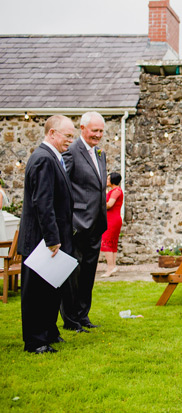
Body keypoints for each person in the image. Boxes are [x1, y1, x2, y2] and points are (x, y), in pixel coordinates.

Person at [16, 115, 75, 354]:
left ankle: (49, 331)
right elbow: (43, 201)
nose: (70, 141)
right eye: (68, 136)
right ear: (52, 133)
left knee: (52, 288)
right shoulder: (42, 159)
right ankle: (35, 341)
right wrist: (52, 239)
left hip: (52, 238)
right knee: (36, 293)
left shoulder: (54, 158)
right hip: (40, 240)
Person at [60, 111, 107, 333]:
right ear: (82, 129)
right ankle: (70, 320)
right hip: (77, 224)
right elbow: (63, 187)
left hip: (96, 225)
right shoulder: (71, 152)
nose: (98, 135)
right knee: (73, 274)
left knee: (88, 273)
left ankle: (82, 315)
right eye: (94, 130)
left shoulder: (99, 154)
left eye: (101, 131)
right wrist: (71, 220)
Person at [101, 172, 123, 278]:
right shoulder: (114, 191)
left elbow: (109, 205)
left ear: (113, 180)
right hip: (113, 219)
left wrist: (98, 204)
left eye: (108, 179)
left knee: (106, 242)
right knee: (112, 243)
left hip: (112, 219)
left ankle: (110, 268)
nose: (107, 180)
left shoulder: (116, 191)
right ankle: (113, 266)